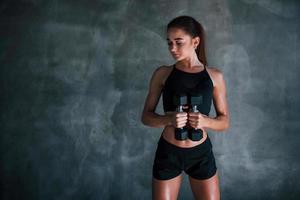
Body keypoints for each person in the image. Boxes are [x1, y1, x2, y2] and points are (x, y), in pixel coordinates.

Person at [141, 15, 230, 200]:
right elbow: (146, 117)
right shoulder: (162, 73)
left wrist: (206, 121)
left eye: (178, 42)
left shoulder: (215, 76)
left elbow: (224, 121)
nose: (172, 48)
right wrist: (168, 119)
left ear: (195, 41)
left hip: (200, 154)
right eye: (169, 43)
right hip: (169, 153)